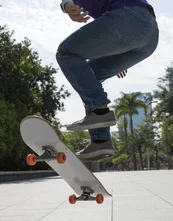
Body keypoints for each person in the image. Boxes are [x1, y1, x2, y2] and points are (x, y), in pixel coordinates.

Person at [56, 0, 159, 160]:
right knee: (90, 75)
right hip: (148, 35)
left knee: (66, 53)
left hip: (129, 18)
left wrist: (65, 6)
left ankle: (99, 111)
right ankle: (100, 141)